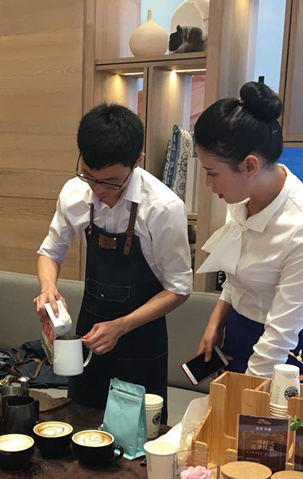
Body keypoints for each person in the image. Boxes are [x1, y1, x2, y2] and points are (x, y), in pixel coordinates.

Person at [35, 103, 192, 422]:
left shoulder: (163, 208)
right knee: (79, 423)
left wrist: (121, 326)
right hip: (90, 331)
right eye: (89, 176)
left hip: (141, 339)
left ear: (137, 161)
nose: (97, 190)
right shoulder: (74, 192)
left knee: (138, 434)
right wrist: (48, 288)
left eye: (110, 182)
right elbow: (50, 251)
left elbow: (178, 289)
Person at [193, 81, 303, 376]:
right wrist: (216, 321)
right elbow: (236, 276)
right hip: (239, 331)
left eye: (212, 173)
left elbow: (280, 336)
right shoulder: (242, 199)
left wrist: (243, 390)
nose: (208, 184)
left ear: (250, 166)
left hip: (290, 353)